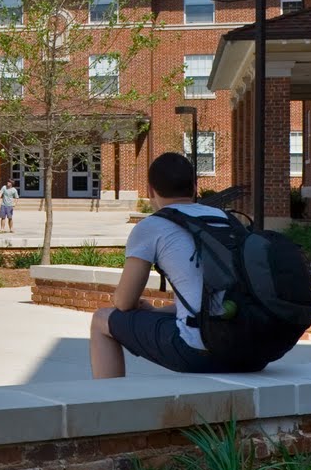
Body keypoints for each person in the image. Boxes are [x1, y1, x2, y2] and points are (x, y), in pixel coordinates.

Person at [90, 152, 240, 378]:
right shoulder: (225, 219)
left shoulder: (153, 226)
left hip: (198, 351)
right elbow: (213, 299)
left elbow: (124, 302)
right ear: (195, 186)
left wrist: (124, 301)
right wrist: (159, 312)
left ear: (150, 190)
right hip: (249, 346)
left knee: (101, 319)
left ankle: (107, 403)